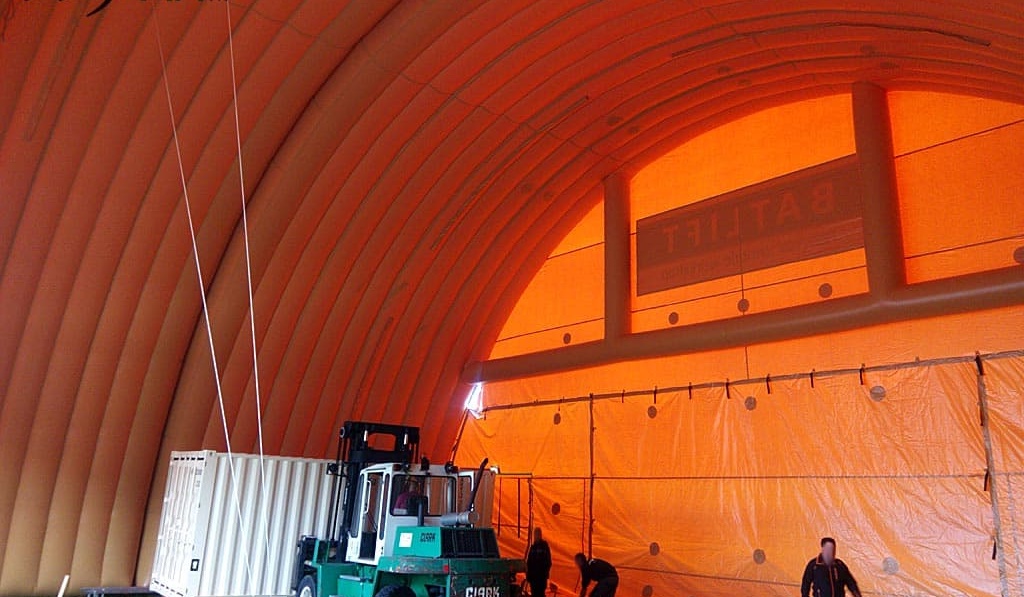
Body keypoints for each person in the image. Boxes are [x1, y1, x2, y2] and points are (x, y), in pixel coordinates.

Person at [526, 528, 552, 596]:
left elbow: (548, 561)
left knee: (540, 593)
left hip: (541, 577)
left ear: (540, 535)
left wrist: (545, 573)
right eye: (535, 534)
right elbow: (529, 562)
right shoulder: (533, 547)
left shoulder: (544, 546)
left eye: (538, 534)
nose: (536, 536)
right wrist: (528, 575)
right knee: (534, 593)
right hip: (533, 577)